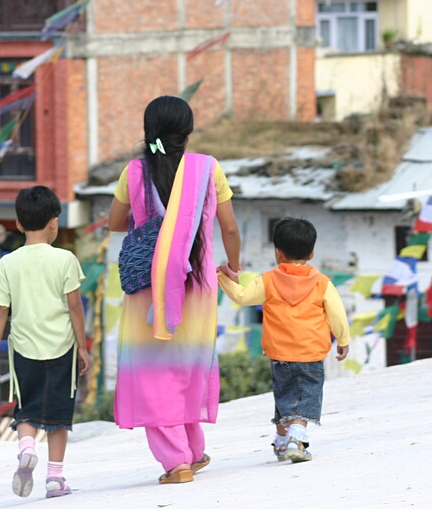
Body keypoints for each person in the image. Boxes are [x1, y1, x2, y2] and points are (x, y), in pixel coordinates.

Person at [108, 95, 242, 484]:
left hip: (148, 288)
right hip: (196, 285)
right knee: (186, 365)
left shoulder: (133, 171)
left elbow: (116, 223)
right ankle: (194, 452)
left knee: (153, 375)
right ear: (188, 131)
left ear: (149, 131)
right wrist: (232, 268)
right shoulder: (208, 169)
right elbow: (229, 227)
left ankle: (177, 462)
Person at [216, 217, 350, 463]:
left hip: (279, 354)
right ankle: (296, 440)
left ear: (278, 253)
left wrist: (223, 277)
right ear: (311, 253)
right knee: (305, 400)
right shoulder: (322, 283)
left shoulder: (268, 280)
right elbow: (337, 314)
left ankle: (280, 442)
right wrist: (343, 339)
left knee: (285, 398)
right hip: (310, 353)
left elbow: (242, 297)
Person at [0, 185, 90, 499]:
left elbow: (0, 310)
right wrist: (83, 346)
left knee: (27, 408)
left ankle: (26, 446)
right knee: (58, 415)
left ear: (18, 225)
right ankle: (55, 479)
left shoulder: (7, 264)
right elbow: (75, 306)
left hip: (24, 348)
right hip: (62, 346)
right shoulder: (65, 259)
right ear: (54, 222)